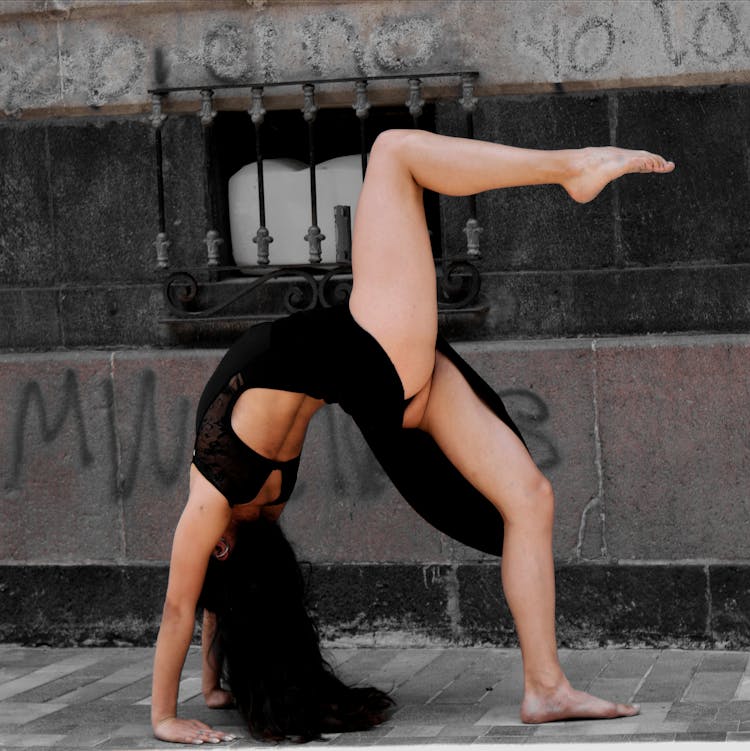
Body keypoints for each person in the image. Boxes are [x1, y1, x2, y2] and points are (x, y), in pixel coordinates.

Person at [151, 129, 675, 744]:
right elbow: (180, 608)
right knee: (393, 151)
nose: (208, 553)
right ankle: (570, 165)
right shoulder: (217, 495)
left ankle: (546, 688)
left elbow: (219, 600)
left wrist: (215, 687)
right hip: (370, 353)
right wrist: (163, 718)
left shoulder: (242, 511)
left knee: (529, 500)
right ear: (219, 547)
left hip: (384, 376)